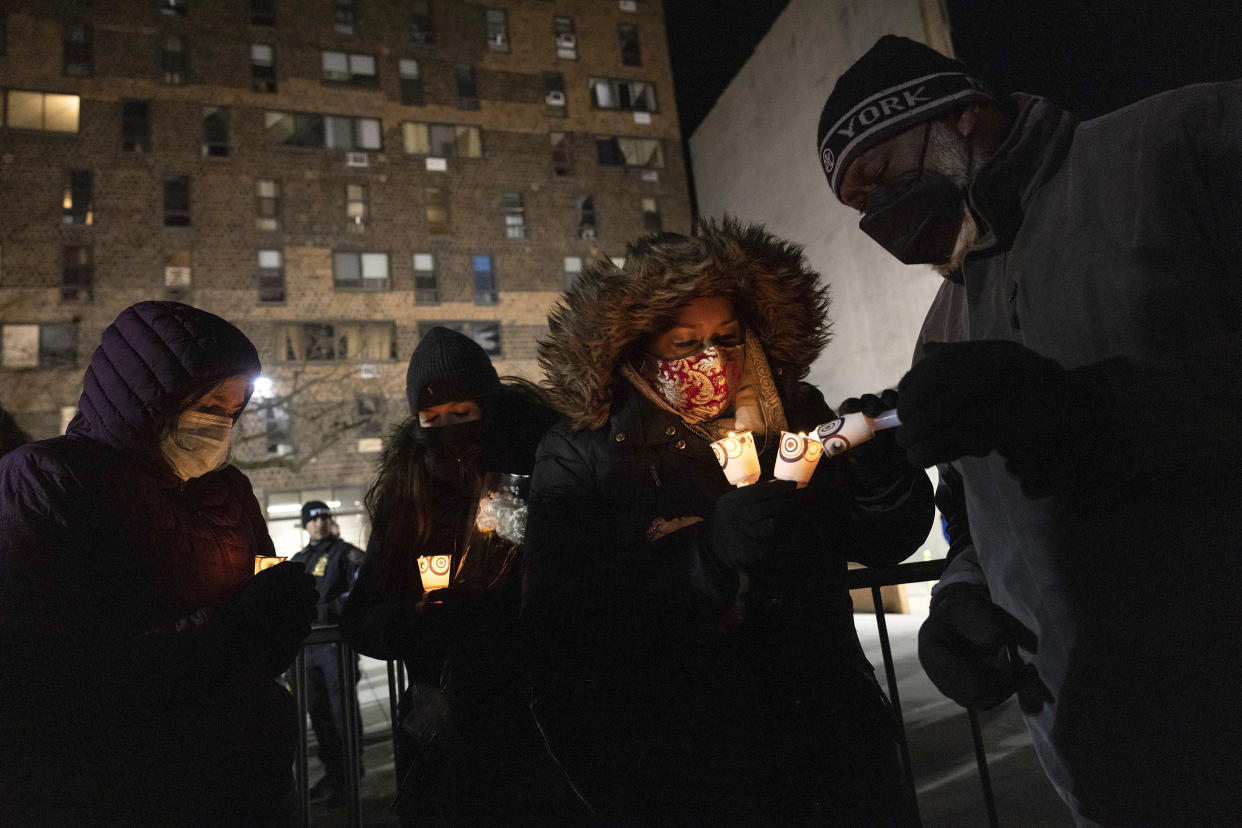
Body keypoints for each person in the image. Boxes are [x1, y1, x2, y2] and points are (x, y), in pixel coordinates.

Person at [817, 35, 1242, 823]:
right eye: (857, 206)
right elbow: (976, 514)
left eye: (880, 180)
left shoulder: (1183, 143)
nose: (877, 218)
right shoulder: (944, 326)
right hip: (1106, 763)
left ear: (965, 117)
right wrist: (961, 600)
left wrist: (1101, 413)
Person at [523, 218, 935, 825]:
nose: (712, 357)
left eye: (728, 335)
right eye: (685, 343)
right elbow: (565, 612)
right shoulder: (583, 450)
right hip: (689, 752)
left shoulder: (796, 415)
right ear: (639, 348)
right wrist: (703, 556)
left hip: (828, 731)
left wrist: (880, 474)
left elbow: (883, 541)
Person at [0, 301, 318, 824]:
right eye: (211, 404)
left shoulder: (228, 492)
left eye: (234, 410)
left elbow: (258, 643)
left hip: (244, 786)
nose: (222, 423)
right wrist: (234, 628)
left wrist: (280, 612)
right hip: (121, 793)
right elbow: (50, 677)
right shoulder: (46, 481)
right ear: (153, 397)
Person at [340, 326, 565, 825]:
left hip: (538, 713)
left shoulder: (547, 464)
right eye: (432, 419)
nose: (449, 430)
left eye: (462, 414)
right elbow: (362, 615)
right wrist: (410, 623)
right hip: (445, 726)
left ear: (490, 407)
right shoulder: (410, 492)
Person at [291, 499, 365, 807]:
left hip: (335, 647)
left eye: (324, 517)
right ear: (305, 524)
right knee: (319, 716)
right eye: (313, 519)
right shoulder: (299, 559)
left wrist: (330, 610)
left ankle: (350, 776)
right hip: (307, 652)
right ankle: (334, 776)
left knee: (341, 714)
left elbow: (363, 588)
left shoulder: (346, 553)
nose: (319, 523)